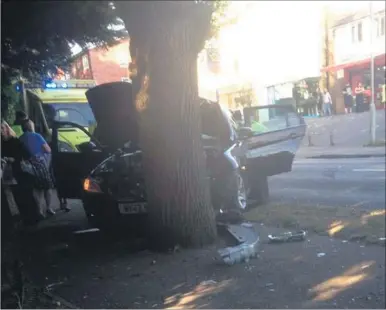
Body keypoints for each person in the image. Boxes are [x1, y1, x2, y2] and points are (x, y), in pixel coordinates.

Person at [1, 120, 37, 225]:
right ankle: (25, 218)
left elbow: (26, 155)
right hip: (9, 174)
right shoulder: (2, 143)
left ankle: (33, 217)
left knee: (26, 195)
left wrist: (13, 159)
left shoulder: (15, 141)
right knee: (17, 196)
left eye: (2, 128)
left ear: (7, 129)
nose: (1, 131)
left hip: (21, 172)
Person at [19, 119, 56, 216]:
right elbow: (48, 150)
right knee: (47, 187)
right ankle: (48, 208)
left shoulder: (20, 138)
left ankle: (39, 210)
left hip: (28, 165)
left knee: (36, 188)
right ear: (31, 126)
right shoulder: (37, 136)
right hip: (41, 164)